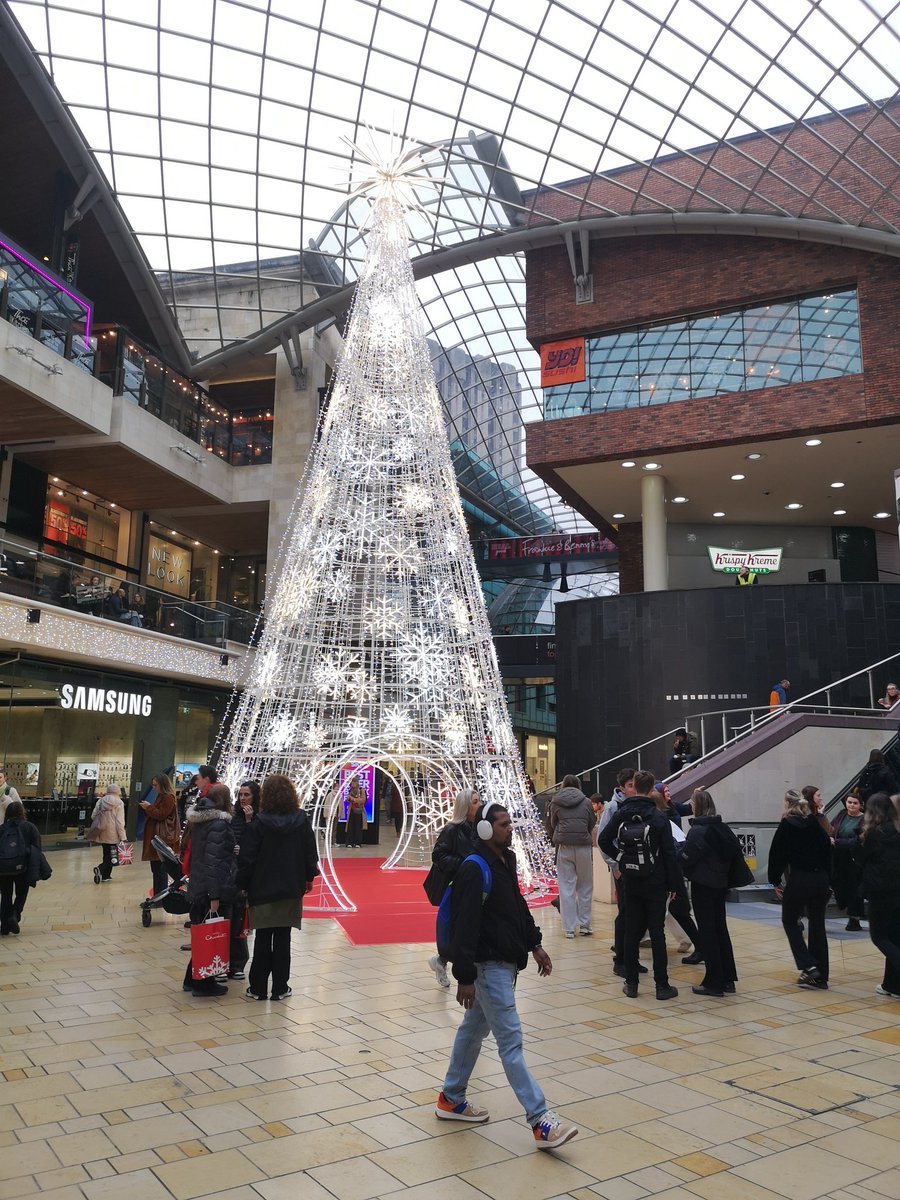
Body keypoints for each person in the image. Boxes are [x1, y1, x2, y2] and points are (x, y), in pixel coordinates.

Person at [436, 801, 578, 1149]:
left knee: (472, 1031)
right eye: (502, 824)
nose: (509, 828)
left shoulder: (507, 860)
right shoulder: (474, 868)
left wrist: (535, 944)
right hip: (487, 967)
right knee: (510, 1042)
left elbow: (516, 904)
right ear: (486, 830)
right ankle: (540, 1120)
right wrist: (465, 975)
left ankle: (451, 1098)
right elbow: (465, 926)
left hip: (505, 962)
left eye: (510, 823)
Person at [236, 773, 319, 1001]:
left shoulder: (259, 823)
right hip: (291, 887)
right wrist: (309, 877)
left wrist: (243, 885)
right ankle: (281, 987)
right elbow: (310, 853)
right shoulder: (301, 820)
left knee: (263, 937)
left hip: (262, 888)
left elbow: (247, 858)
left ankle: (258, 988)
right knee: (283, 938)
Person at [598, 769, 680, 1000]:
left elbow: (603, 839)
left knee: (631, 931)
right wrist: (674, 884)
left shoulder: (622, 813)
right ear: (652, 788)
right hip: (655, 880)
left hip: (630, 880)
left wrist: (621, 860)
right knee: (657, 932)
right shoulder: (658, 817)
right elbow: (669, 853)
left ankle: (632, 983)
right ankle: (662, 986)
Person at [767, 789, 832, 989]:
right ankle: (821, 977)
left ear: (788, 804)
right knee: (817, 924)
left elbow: (776, 855)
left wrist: (774, 881)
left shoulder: (787, 825)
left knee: (789, 919)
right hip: (820, 878)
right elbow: (827, 849)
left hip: (800, 878)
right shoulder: (813, 823)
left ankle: (808, 964)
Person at [679, 789, 741, 996]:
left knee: (708, 932)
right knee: (720, 930)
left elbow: (687, 858)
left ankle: (714, 982)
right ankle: (728, 978)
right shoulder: (721, 827)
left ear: (697, 806)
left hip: (703, 885)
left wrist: (677, 851)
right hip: (720, 884)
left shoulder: (698, 831)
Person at [182, 783, 237, 998]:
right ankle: (203, 983)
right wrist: (215, 895)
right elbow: (213, 862)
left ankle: (191, 979)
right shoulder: (219, 823)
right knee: (210, 938)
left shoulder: (200, 820)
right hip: (210, 888)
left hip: (199, 885)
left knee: (202, 936)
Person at [428, 788, 480, 988]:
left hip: (475, 886)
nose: (478, 805)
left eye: (478, 801)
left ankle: (443, 961)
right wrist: (463, 864)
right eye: (474, 802)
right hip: (458, 887)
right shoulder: (452, 830)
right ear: (465, 806)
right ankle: (443, 962)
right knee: (457, 931)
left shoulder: (481, 829)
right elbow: (438, 856)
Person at [598, 767, 645, 979]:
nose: (633, 789)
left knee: (636, 914)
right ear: (622, 788)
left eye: (635, 784)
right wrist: (615, 865)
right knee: (625, 914)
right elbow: (603, 839)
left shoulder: (639, 805)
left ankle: (632, 958)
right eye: (630, 785)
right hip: (623, 867)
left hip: (638, 867)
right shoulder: (613, 807)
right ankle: (621, 959)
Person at [855, 792, 900, 999]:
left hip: (880, 892)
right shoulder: (897, 831)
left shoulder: (872, 834)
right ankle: (892, 985)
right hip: (897, 892)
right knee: (894, 938)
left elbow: (861, 859)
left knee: (879, 937)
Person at [549, 774, 597, 938]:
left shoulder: (555, 801)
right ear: (578, 786)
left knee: (566, 886)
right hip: (583, 846)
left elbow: (553, 824)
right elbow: (591, 822)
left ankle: (569, 928)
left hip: (564, 846)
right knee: (585, 885)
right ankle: (585, 924)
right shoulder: (587, 802)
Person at [230, 780, 261, 980]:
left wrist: (250, 822)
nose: (242, 798)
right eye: (240, 794)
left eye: (246, 795)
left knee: (242, 918)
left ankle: (239, 962)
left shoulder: (259, 818)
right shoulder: (233, 816)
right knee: (234, 917)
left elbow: (257, 844)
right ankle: (230, 961)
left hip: (250, 872)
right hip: (233, 871)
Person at [0, 800, 42, 935]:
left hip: (4, 868)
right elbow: (37, 848)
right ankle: (14, 915)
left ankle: (4, 926)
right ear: (22, 812)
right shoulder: (30, 827)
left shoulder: (2, 828)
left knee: (6, 895)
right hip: (23, 867)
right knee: (21, 893)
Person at [141, 772, 180, 897]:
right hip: (157, 837)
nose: (154, 788)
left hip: (162, 838)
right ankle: (158, 896)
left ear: (162, 784)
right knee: (156, 869)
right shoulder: (161, 796)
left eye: (155, 785)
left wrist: (148, 807)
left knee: (160, 870)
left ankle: (160, 897)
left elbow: (161, 814)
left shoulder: (168, 797)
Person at [831, 792, 865, 931]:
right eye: (849, 802)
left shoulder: (864, 820)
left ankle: (854, 919)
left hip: (855, 860)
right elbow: (831, 828)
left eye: (855, 803)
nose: (851, 805)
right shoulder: (841, 815)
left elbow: (859, 841)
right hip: (838, 858)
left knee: (854, 889)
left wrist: (837, 842)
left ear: (860, 805)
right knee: (838, 883)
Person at [91, 782, 126, 884]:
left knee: (106, 853)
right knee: (112, 856)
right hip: (113, 833)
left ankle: (106, 875)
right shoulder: (119, 803)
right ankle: (100, 869)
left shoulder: (101, 801)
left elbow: (93, 816)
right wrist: (123, 836)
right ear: (118, 791)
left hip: (102, 831)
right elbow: (120, 822)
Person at [344, 777, 367, 848]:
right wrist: (348, 799)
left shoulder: (361, 790)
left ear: (357, 782)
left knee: (358, 827)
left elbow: (363, 800)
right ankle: (349, 842)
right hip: (351, 810)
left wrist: (354, 799)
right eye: (352, 782)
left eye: (354, 782)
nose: (353, 783)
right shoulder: (350, 790)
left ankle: (358, 842)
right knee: (350, 827)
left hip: (359, 810)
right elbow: (348, 800)